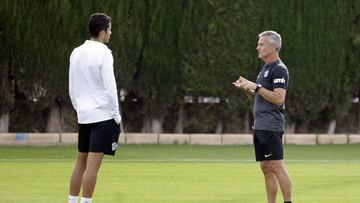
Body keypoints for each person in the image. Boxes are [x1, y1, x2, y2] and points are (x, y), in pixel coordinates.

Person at [233, 31, 292, 203]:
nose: (257, 47)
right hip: (260, 125)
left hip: (271, 125)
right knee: (266, 167)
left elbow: (279, 98)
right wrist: (247, 89)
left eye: (261, 44)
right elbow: (261, 96)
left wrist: (256, 87)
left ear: (273, 47)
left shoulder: (279, 69)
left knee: (276, 166)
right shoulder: (265, 68)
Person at [68, 13, 121, 203]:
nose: (111, 33)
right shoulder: (104, 53)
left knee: (80, 162)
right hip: (103, 116)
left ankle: (72, 201)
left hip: (84, 116)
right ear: (101, 32)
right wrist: (116, 116)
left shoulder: (76, 52)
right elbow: (110, 87)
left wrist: (80, 109)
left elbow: (72, 87)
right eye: (109, 29)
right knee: (92, 165)